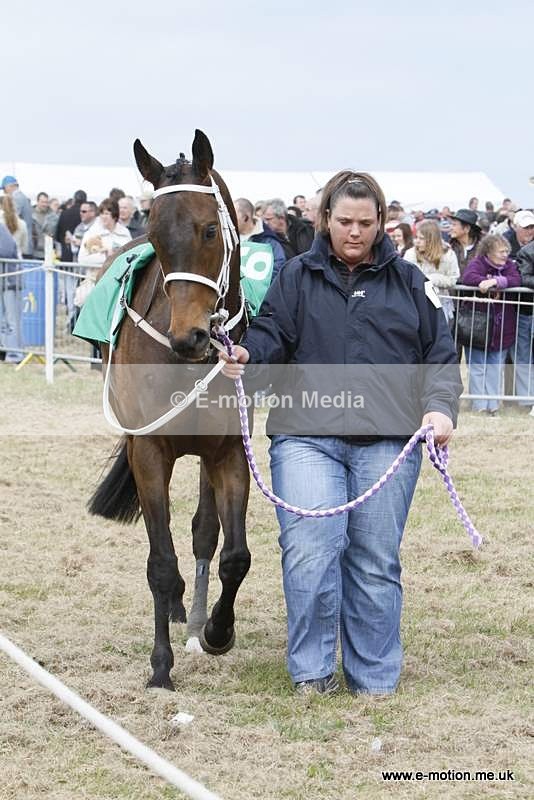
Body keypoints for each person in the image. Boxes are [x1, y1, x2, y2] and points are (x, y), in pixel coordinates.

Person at [220, 170, 461, 696]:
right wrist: (247, 354)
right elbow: (271, 334)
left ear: (381, 223)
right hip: (306, 436)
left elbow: (440, 354)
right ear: (326, 218)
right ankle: (312, 672)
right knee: (310, 550)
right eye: (345, 221)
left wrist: (440, 410)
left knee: (375, 560)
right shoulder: (295, 276)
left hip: (389, 440)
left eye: (365, 223)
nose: (354, 231)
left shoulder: (411, 283)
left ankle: (373, 679)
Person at [461, 235, 521, 415]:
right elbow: (468, 277)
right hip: (478, 327)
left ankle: (493, 405)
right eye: (501, 251)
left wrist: (496, 281)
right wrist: (481, 281)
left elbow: (516, 279)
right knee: (477, 366)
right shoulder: (477, 263)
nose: (505, 255)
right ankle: (479, 405)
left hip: (502, 328)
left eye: (506, 251)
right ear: (488, 251)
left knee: (495, 368)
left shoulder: (509, 265)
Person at [76, 199, 131, 307]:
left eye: (106, 213)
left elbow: (130, 256)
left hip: (118, 283)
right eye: (101, 213)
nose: (103, 217)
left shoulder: (125, 234)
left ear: (114, 215)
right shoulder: (91, 233)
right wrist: (106, 257)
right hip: (95, 281)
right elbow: (82, 259)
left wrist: (115, 256)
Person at [404, 220, 459, 323]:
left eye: (421, 238)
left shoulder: (448, 255)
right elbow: (405, 277)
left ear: (431, 239)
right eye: (416, 237)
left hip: (440, 303)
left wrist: (432, 279)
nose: (417, 241)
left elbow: (453, 279)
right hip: (415, 304)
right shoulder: (410, 254)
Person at [234, 198, 287, 281]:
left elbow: (279, 266)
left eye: (234, 216)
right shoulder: (228, 238)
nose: (230, 220)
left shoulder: (268, 240)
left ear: (246, 218)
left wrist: (261, 285)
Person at [514, 241, 534, 413]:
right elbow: (524, 278)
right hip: (528, 313)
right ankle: (527, 400)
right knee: (523, 357)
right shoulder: (527, 252)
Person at [0, 222, 22, 362]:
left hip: (9, 281)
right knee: (2, 321)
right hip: (3, 280)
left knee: (12, 321)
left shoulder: (1, 229)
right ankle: (5, 351)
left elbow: (6, 250)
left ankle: (15, 354)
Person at [1, 175, 33, 257]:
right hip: (24, 244)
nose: (4, 192)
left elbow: (9, 218)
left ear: (11, 186)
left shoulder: (16, 198)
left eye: (4, 188)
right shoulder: (22, 197)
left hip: (19, 247)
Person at [449, 209, 483, 275]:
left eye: (454, 225)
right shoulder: (449, 248)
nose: (451, 228)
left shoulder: (483, 249)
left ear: (467, 228)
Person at [32, 192, 59, 259]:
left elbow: (57, 234)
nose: (44, 204)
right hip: (33, 252)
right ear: (37, 201)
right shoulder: (30, 214)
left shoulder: (54, 217)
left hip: (48, 252)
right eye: (42, 202)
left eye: (46, 202)